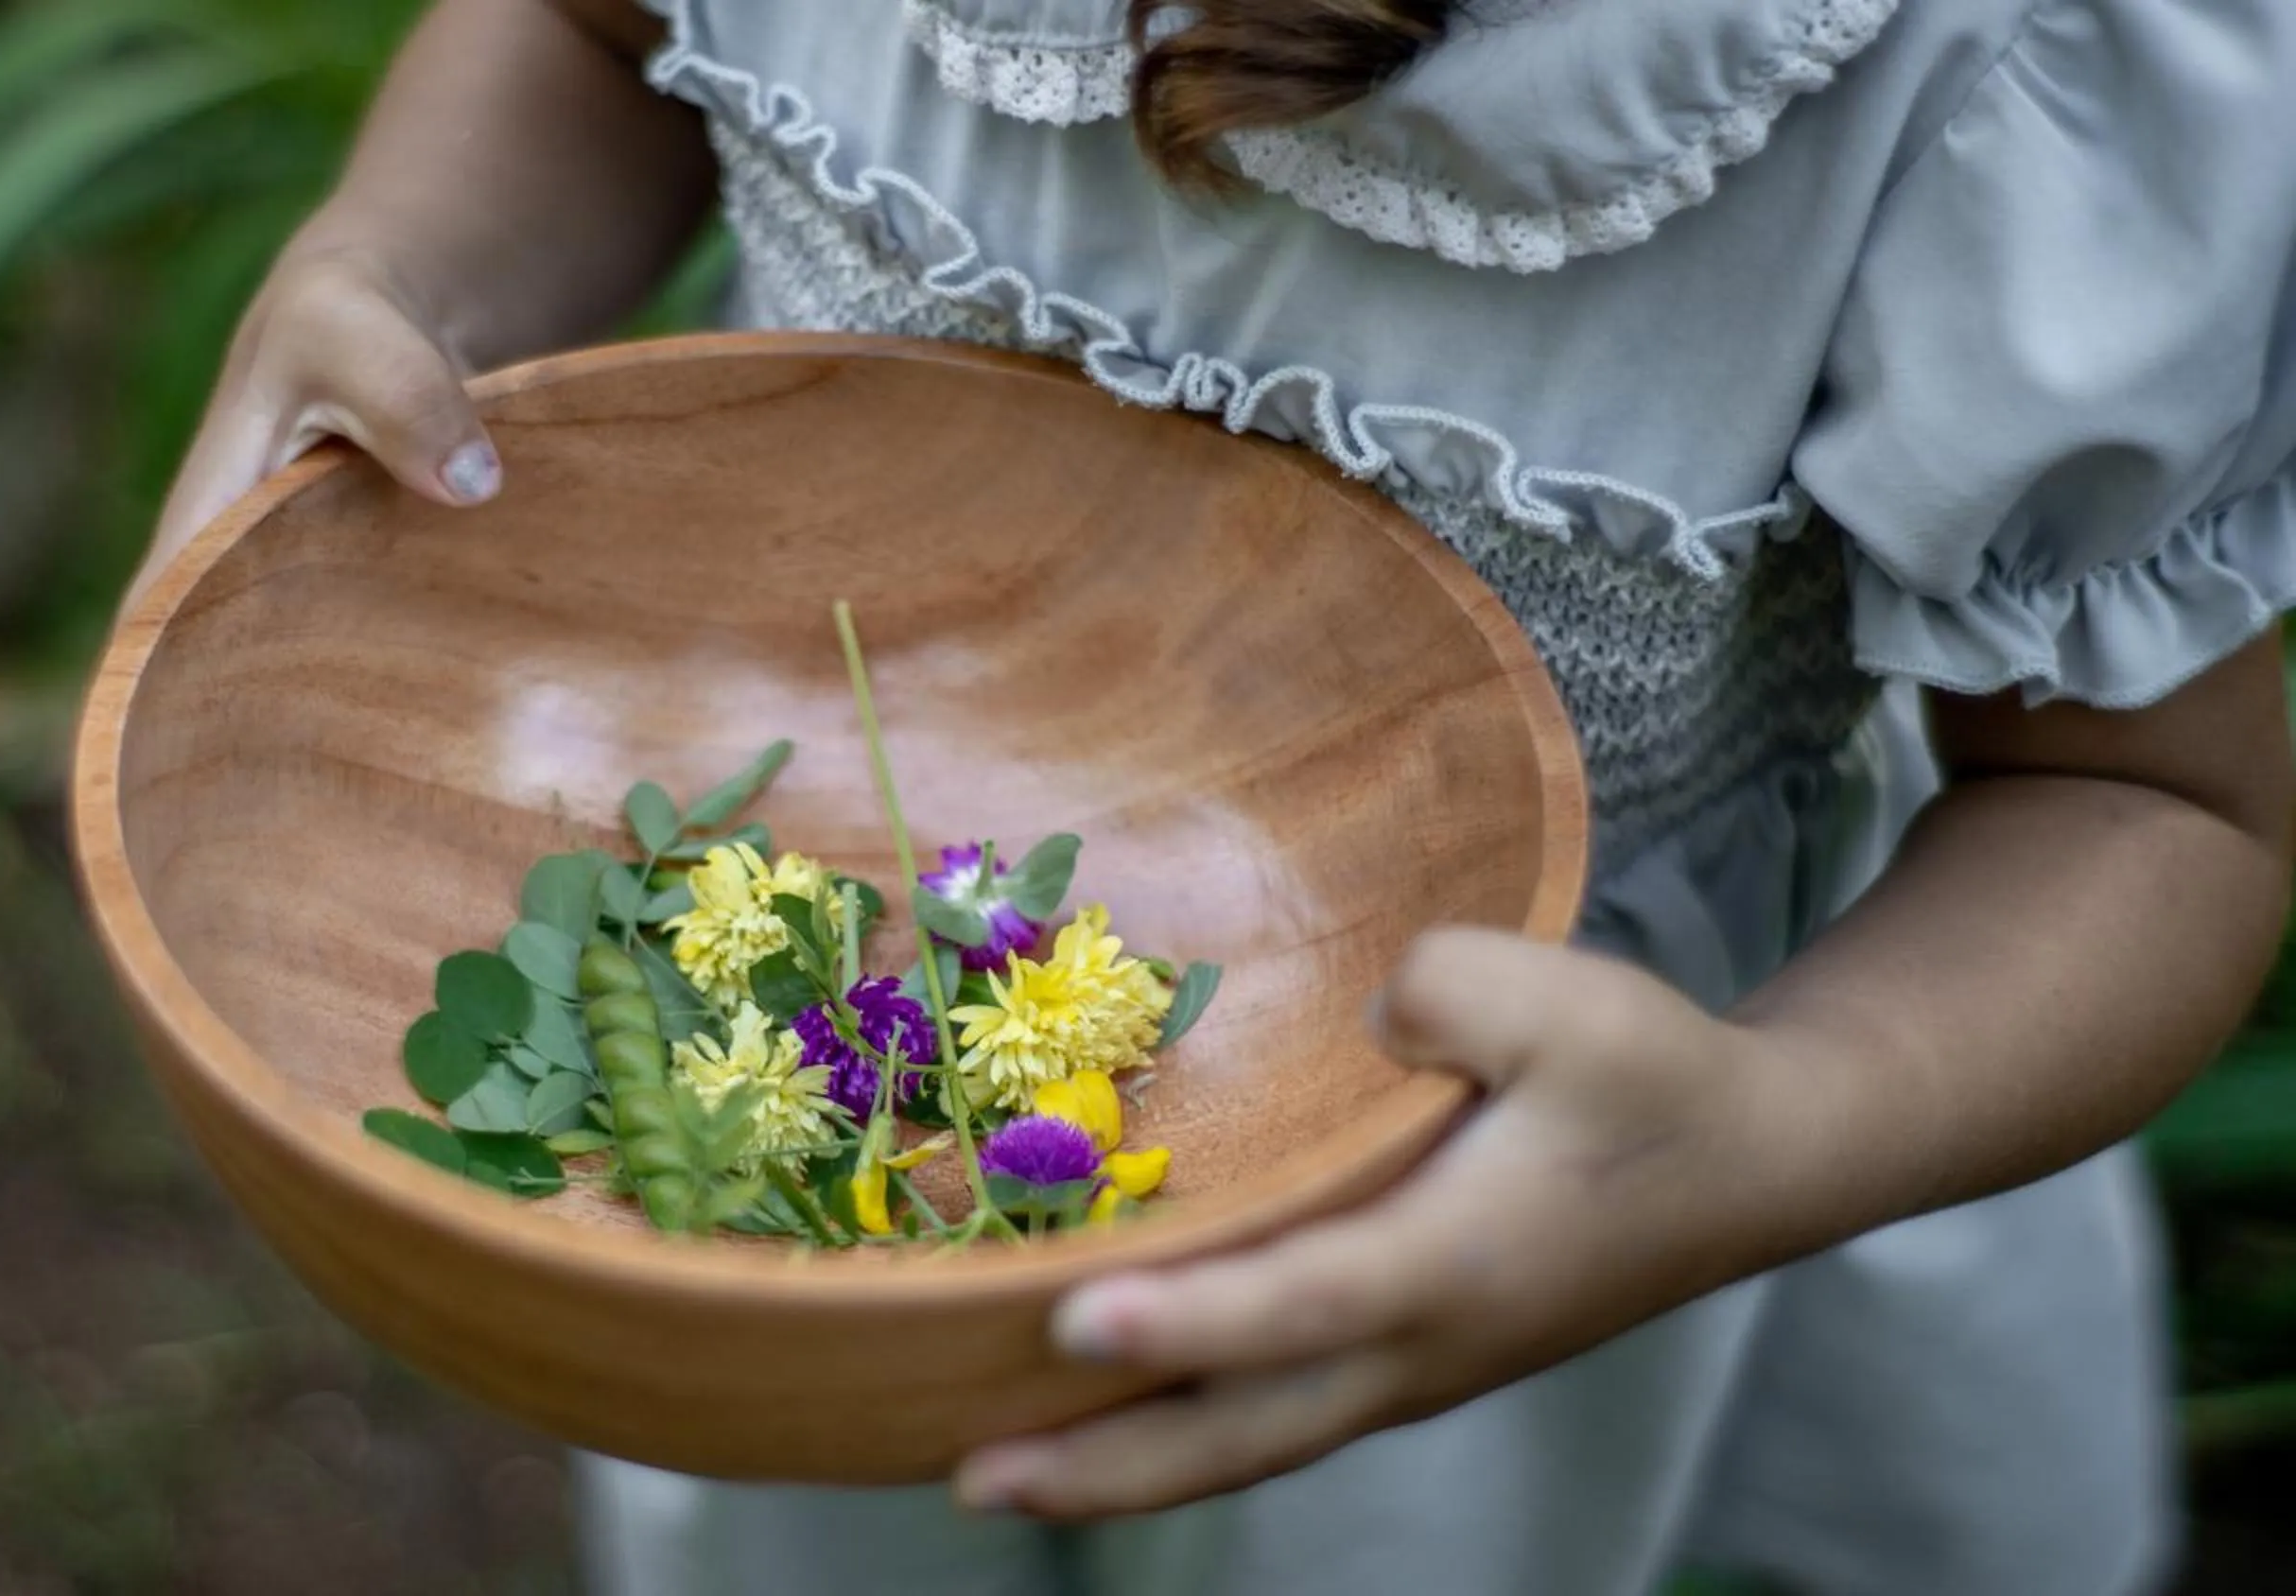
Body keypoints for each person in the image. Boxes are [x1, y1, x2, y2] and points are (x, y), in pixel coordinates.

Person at [140, 1, 2296, 1590]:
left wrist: (1762, 1141)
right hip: (803, 1026)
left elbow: (2153, 810)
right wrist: (403, 268)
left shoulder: (1992, 69)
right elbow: (592, 49)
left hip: (1570, 1194)